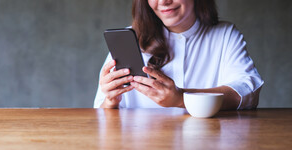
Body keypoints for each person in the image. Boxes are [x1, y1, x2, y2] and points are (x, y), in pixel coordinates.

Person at [94, 0, 264, 110]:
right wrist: (110, 101)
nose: (164, 2)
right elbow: (99, 114)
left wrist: (181, 98)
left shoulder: (225, 34)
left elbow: (248, 92)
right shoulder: (129, 39)